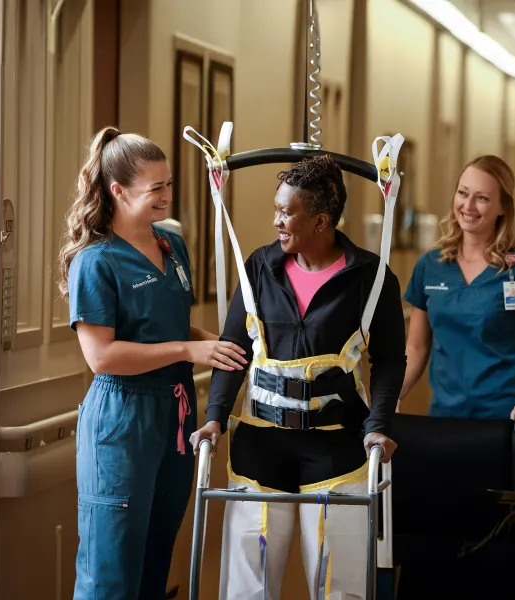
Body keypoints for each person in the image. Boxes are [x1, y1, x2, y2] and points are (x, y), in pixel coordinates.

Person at [189, 154, 406, 599]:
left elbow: (389, 360)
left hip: (337, 448)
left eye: (286, 213)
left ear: (321, 221)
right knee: (248, 585)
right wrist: (214, 417)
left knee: (339, 583)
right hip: (260, 448)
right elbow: (234, 349)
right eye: (276, 210)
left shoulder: (371, 278)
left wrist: (380, 425)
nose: (276, 222)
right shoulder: (259, 268)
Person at [57, 126, 248, 600]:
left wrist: (222, 345)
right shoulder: (95, 260)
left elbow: (167, 325)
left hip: (175, 415)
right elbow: (101, 356)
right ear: (118, 191)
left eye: (169, 184)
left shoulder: (171, 246)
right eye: (155, 188)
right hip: (122, 418)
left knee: (155, 561)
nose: (167, 196)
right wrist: (188, 351)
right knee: (111, 572)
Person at [396, 155, 515, 561]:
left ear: (503, 206)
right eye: (463, 193)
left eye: (482, 198)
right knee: (448, 547)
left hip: (510, 429)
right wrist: (392, 396)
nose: (468, 206)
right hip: (447, 431)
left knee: (513, 552)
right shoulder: (431, 266)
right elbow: (416, 348)